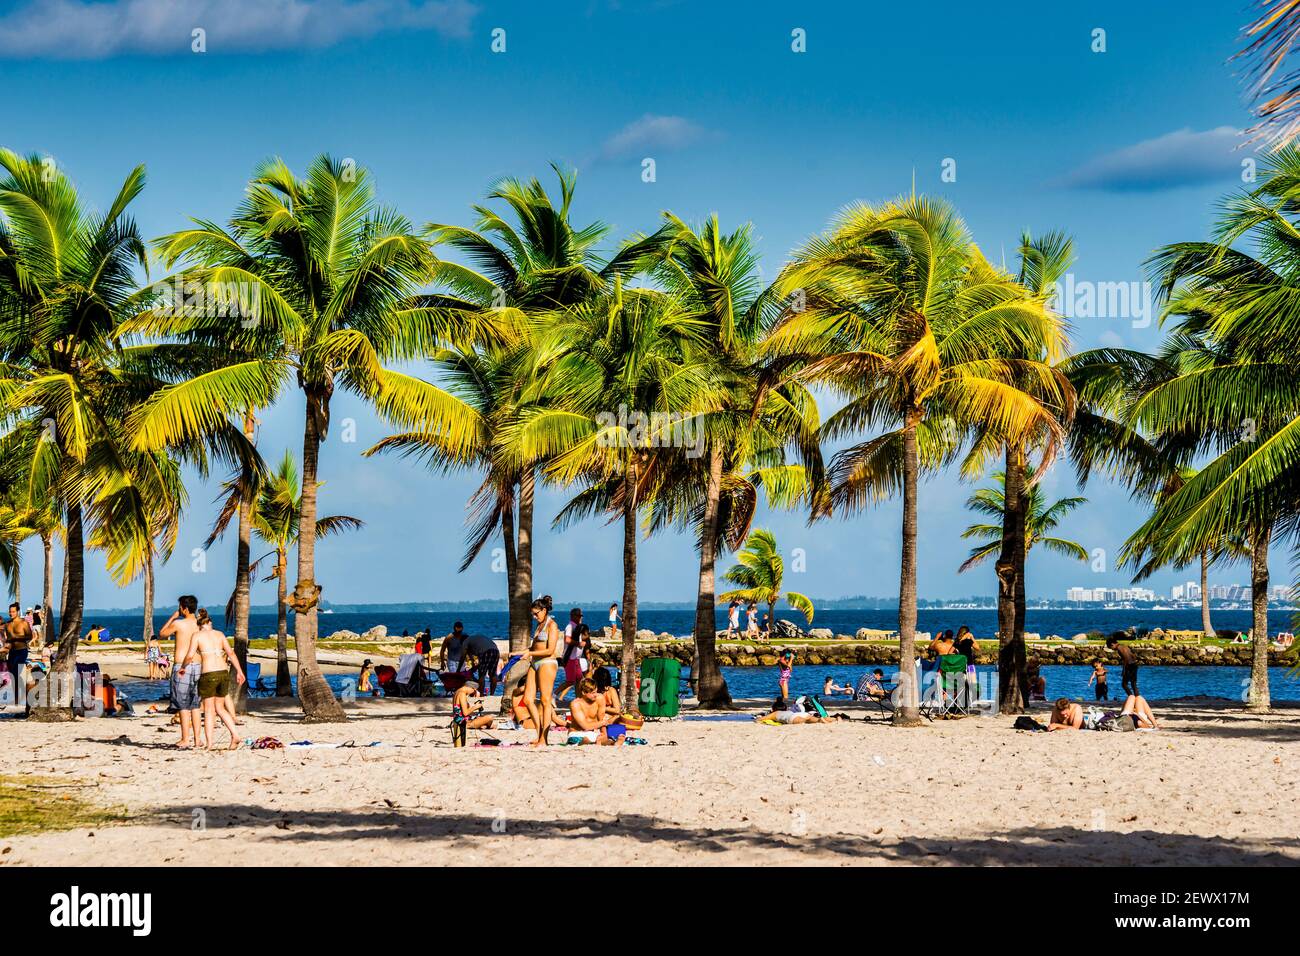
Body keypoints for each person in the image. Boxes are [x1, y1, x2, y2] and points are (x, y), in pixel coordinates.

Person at [192, 609, 245, 750]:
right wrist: (239, 671)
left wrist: (183, 667)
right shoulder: (220, 634)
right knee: (220, 708)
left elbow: (190, 655)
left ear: (199, 625)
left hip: (208, 674)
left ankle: (209, 744)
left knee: (209, 710)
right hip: (223, 673)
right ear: (210, 622)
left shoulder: (197, 636)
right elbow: (231, 654)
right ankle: (235, 735)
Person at [161, 595, 205, 748]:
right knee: (195, 704)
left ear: (184, 608)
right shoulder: (200, 624)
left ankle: (186, 739)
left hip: (182, 666)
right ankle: (197, 739)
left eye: (180, 607)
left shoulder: (179, 624)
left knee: (183, 704)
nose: (179, 610)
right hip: (199, 665)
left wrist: (172, 618)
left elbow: (162, 633)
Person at [521, 595, 561, 746]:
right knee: (527, 700)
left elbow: (550, 650)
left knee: (545, 700)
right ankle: (539, 735)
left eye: (536, 613)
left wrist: (530, 653)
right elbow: (533, 647)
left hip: (547, 662)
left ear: (544, 610)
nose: (534, 616)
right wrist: (519, 654)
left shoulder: (552, 626)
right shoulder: (538, 626)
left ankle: (544, 738)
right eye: (533, 614)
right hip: (535, 662)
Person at [568, 677, 624, 745]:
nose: (595, 695)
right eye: (592, 693)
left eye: (596, 692)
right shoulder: (575, 704)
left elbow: (601, 718)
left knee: (604, 739)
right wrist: (603, 723)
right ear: (583, 692)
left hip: (591, 734)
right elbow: (585, 726)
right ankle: (589, 742)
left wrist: (604, 734)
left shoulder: (599, 699)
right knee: (585, 740)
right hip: (576, 734)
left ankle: (614, 742)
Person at [555, 609, 589, 702]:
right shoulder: (570, 626)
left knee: (580, 680)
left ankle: (579, 700)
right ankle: (553, 695)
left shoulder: (576, 626)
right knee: (570, 681)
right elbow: (567, 640)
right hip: (570, 658)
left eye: (581, 616)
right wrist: (579, 643)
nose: (580, 617)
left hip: (576, 659)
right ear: (572, 616)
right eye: (578, 616)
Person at [4, 602, 33, 703]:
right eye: (10, 612)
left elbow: (30, 636)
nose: (11, 613)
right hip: (12, 652)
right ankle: (16, 699)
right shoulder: (7, 625)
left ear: (17, 612)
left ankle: (26, 695)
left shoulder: (23, 622)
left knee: (17, 673)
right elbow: (8, 640)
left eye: (13, 611)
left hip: (22, 651)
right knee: (12, 676)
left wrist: (18, 637)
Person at [754, 706, 845, 725]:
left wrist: (758, 719)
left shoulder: (774, 713)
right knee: (809, 717)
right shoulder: (788, 710)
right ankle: (835, 719)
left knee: (805, 721)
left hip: (791, 718)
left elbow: (760, 719)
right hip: (797, 714)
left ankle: (819, 720)